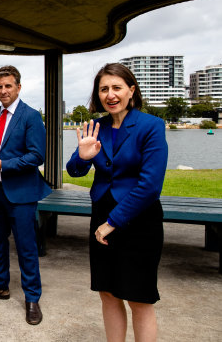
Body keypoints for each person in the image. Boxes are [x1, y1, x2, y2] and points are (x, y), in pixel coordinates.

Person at [66, 63, 168, 341]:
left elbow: (149, 187)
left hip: (138, 219)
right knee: (108, 294)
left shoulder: (151, 126)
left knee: (139, 298)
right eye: (103, 89)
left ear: (131, 90)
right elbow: (74, 170)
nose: (110, 94)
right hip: (101, 212)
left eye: (116, 88)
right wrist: (82, 156)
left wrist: (112, 223)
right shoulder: (96, 126)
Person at [0, 65, 51, 325]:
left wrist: (2, 164)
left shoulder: (31, 116)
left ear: (18, 87)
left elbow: (37, 156)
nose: (3, 91)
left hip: (21, 193)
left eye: (7, 86)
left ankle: (32, 298)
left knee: (26, 248)